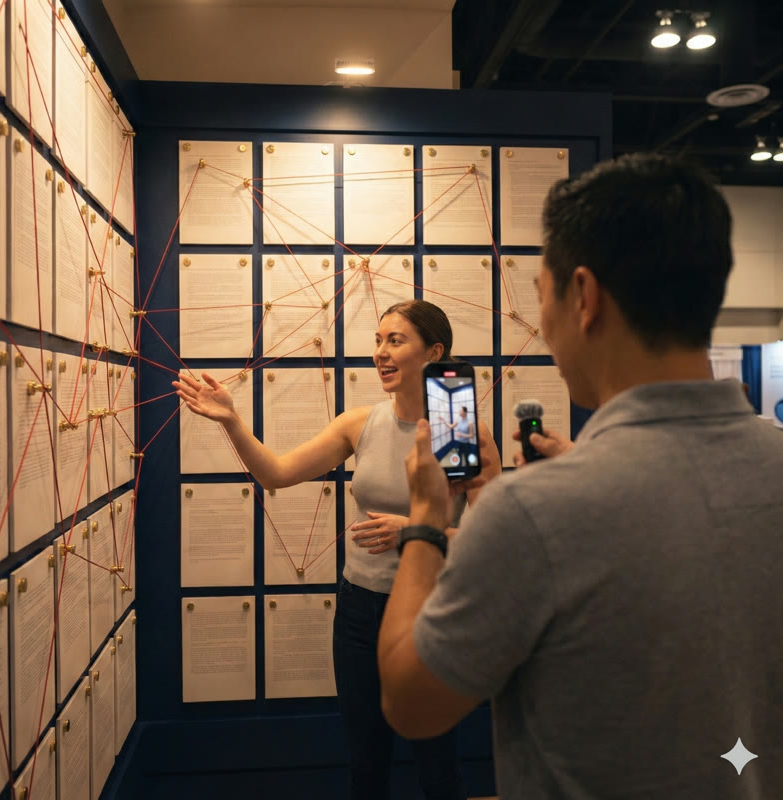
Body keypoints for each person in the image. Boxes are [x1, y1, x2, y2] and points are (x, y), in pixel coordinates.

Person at [377, 154, 783, 799]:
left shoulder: (533, 512)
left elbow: (410, 704)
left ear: (585, 298)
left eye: (543, 295)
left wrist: (425, 521)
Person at [173, 299, 500, 800]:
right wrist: (231, 421)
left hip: (430, 609)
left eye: (396, 341)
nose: (381, 352)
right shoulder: (360, 423)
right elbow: (277, 473)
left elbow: (491, 540)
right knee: (366, 762)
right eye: (378, 340)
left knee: (437, 765)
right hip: (358, 610)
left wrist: (415, 531)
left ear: (435, 353)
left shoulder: (462, 431)